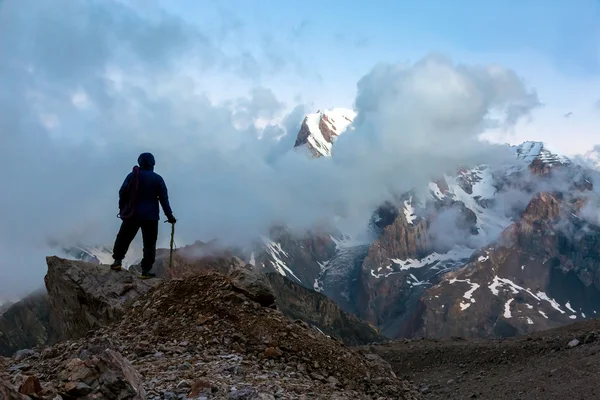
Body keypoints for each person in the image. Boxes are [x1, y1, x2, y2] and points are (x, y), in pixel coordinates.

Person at [110, 152, 176, 279]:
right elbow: (164, 199)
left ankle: (117, 261)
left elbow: (122, 192)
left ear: (140, 162)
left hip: (132, 214)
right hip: (151, 217)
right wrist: (170, 216)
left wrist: (123, 208)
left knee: (124, 238)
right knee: (149, 244)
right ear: (153, 163)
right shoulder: (158, 179)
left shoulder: (132, 176)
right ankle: (145, 271)